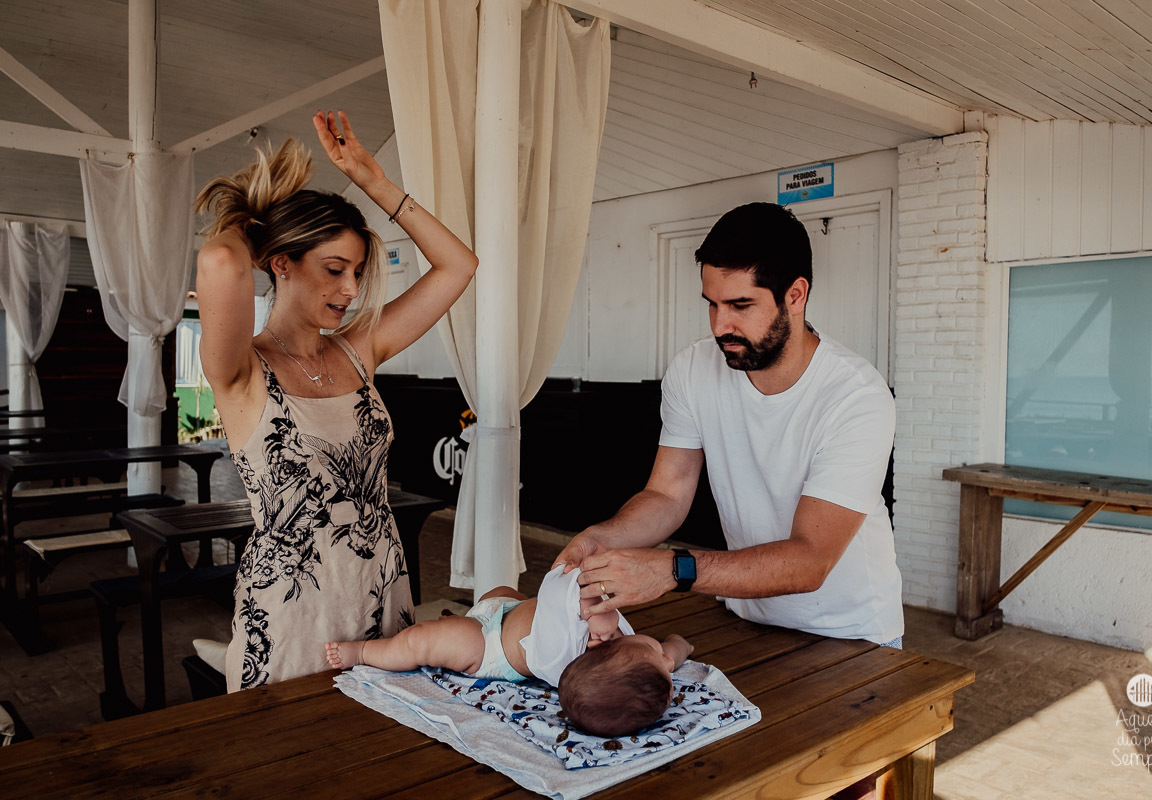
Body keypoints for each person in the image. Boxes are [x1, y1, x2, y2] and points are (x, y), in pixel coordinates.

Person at [195, 110, 479, 691]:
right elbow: (221, 261)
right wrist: (256, 221)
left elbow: (459, 265)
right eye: (333, 269)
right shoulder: (242, 371)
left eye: (357, 271)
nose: (351, 289)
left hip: (382, 590)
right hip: (291, 611)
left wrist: (375, 182)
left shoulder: (359, 349)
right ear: (281, 263)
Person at [555, 201, 902, 646]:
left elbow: (811, 559)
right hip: (746, 616)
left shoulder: (856, 396)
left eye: (741, 305)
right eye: (712, 305)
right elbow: (667, 494)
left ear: (795, 295)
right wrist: (603, 537)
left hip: (853, 635)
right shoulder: (692, 370)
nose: (721, 326)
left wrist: (672, 569)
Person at [325, 566, 694, 737]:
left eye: (653, 651)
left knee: (425, 640)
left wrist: (595, 604)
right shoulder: (648, 664)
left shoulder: (560, 657)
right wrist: (680, 646)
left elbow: (556, 586)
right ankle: (461, 617)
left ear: (602, 650)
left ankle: (365, 652)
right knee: (499, 590)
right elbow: (671, 652)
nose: (657, 650)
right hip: (511, 609)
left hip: (490, 646)